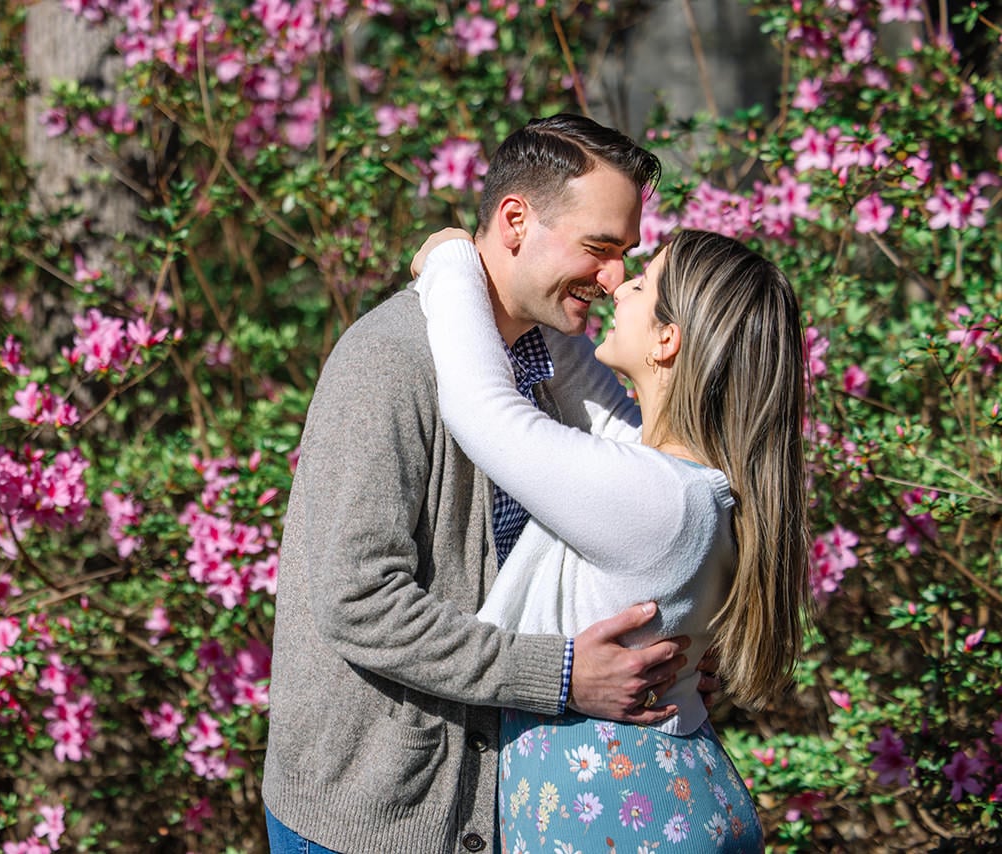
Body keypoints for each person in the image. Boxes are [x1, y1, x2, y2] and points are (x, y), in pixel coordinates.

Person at [263, 115, 717, 854]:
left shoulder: (551, 367)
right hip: (374, 820)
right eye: (599, 249)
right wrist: (564, 676)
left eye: (625, 256)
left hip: (495, 806)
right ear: (515, 221)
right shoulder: (388, 361)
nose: (612, 279)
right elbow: (358, 601)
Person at [412, 227, 811, 851]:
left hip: (625, 815)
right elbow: (583, 393)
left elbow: (481, 409)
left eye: (642, 282)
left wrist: (451, 261)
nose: (617, 283)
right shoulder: (682, 481)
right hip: (644, 803)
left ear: (667, 338)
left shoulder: (657, 498)